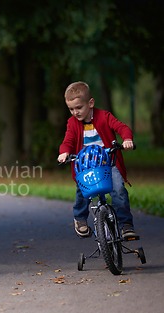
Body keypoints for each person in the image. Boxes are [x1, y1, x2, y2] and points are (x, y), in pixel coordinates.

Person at [57, 81, 138, 240]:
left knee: (119, 191)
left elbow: (122, 128)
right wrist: (64, 152)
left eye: (79, 107)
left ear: (91, 103)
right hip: (87, 165)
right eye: (71, 109)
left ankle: (126, 225)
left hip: (108, 163)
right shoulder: (72, 123)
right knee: (82, 191)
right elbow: (68, 141)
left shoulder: (104, 117)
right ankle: (80, 219)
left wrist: (127, 139)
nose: (75, 112)